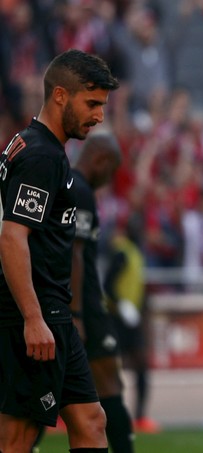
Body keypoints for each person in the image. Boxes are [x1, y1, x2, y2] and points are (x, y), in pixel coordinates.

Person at [0, 49, 119, 453]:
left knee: (91, 422)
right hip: (32, 316)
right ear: (60, 97)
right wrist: (33, 318)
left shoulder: (32, 145)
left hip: (54, 316)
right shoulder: (41, 156)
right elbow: (12, 236)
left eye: (102, 105)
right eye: (93, 104)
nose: (99, 116)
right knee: (17, 437)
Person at [70, 131, 135, 453]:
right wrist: (77, 314)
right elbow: (76, 254)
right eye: (110, 172)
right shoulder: (80, 191)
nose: (108, 181)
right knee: (110, 386)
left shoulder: (66, 185)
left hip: (71, 306)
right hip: (86, 309)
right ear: (101, 160)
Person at [103, 214, 159, 434]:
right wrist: (122, 305)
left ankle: (140, 416)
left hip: (131, 319)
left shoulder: (135, 253)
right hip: (116, 318)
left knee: (141, 366)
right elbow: (108, 285)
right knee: (105, 368)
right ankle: (107, 413)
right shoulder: (121, 252)